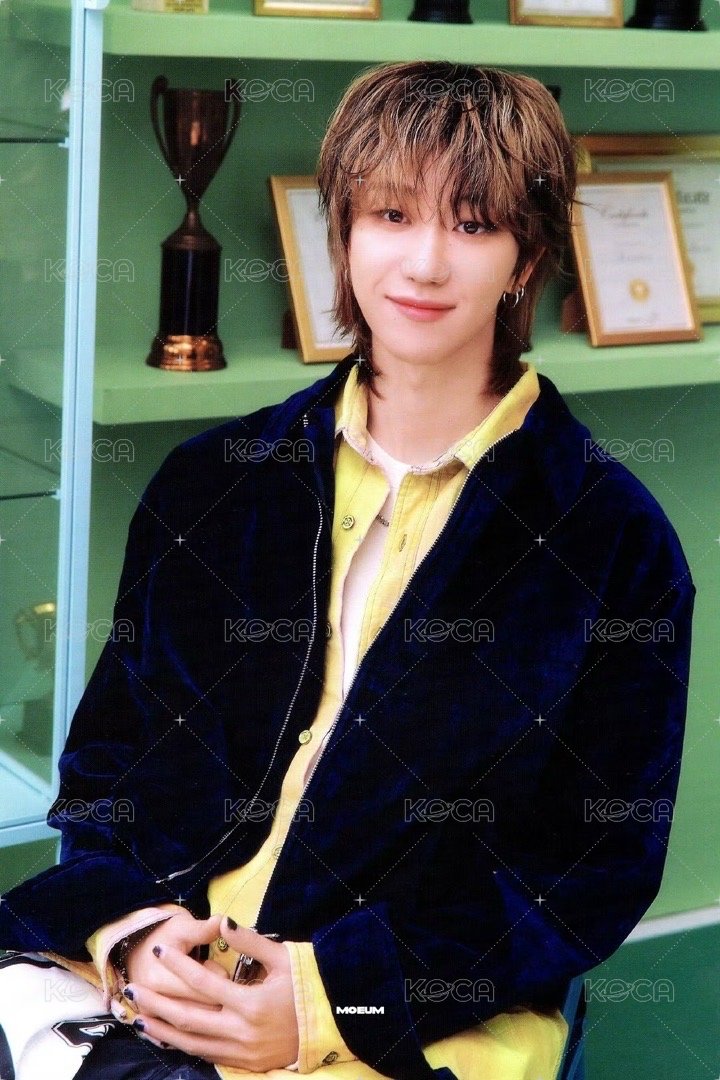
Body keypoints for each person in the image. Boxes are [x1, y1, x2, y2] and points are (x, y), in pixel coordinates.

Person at [0, 61, 695, 1080]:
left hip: (411, 1014)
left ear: (528, 256)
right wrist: (133, 935)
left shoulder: (617, 542)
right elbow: (110, 766)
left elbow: (590, 868)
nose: (424, 262)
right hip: (161, 974)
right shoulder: (211, 484)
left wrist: (333, 1002)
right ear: (343, 233)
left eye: (473, 223)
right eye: (391, 214)